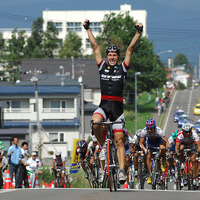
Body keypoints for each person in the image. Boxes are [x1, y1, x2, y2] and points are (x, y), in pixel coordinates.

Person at [83, 19, 143, 183]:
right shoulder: (101, 66)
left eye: (114, 55)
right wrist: (88, 29)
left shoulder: (123, 68)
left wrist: (138, 32)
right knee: (95, 123)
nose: (111, 57)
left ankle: (122, 171)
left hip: (117, 109)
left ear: (117, 57)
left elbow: (130, 49)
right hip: (104, 106)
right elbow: (95, 47)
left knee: (119, 142)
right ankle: (102, 146)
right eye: (109, 55)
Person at [139, 119, 170, 184]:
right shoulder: (144, 131)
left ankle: (163, 161)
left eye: (151, 129)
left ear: (154, 127)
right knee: (148, 155)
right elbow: (141, 143)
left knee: (162, 149)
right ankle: (150, 175)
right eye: (148, 129)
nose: (149, 130)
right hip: (151, 142)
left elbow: (166, 141)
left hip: (159, 142)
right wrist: (145, 149)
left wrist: (167, 150)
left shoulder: (159, 131)